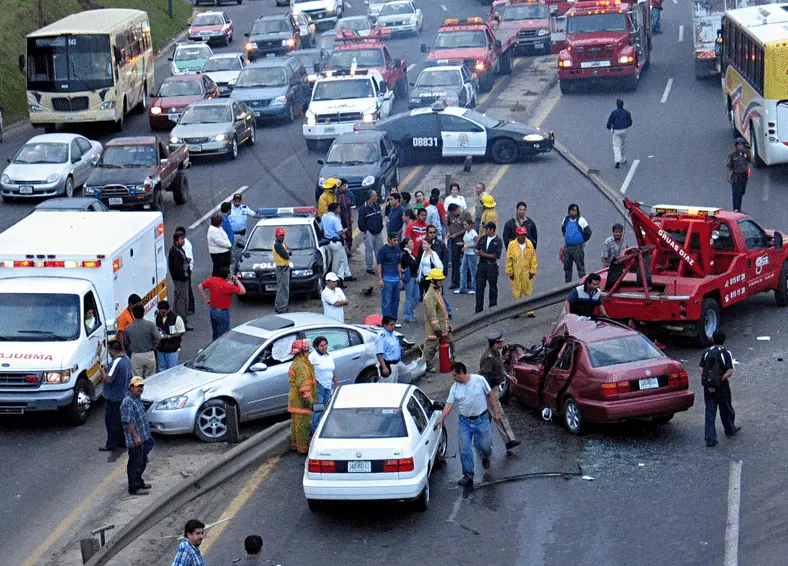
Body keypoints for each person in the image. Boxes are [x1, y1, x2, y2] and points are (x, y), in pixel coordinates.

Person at [435, 361, 500, 487]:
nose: (453, 378)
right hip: (464, 421)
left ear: (461, 372)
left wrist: (496, 412)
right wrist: (442, 417)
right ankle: (468, 474)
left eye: (454, 375)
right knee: (465, 448)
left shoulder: (479, 380)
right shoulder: (455, 388)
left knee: (485, 446)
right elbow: (449, 404)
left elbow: (491, 395)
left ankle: (486, 456)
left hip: (481, 419)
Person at [479, 333, 520, 450]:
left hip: (495, 388)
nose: (502, 343)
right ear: (495, 344)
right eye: (500, 342)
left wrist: (508, 376)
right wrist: (489, 394)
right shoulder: (488, 358)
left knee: (486, 418)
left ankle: (481, 441)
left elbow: (499, 368)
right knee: (499, 415)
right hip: (491, 390)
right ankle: (509, 440)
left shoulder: (496, 353)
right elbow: (485, 377)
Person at [699, 330, 740, 447]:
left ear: (712, 339)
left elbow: (701, 368)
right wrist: (720, 379)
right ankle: (730, 428)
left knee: (710, 411)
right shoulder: (726, 353)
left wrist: (708, 381)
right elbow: (730, 371)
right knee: (726, 408)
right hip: (722, 387)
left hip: (708, 387)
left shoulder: (706, 352)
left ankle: (710, 438)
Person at [98, 340, 132, 454]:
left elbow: (109, 379)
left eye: (110, 351)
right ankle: (122, 442)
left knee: (112, 422)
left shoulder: (117, 361)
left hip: (114, 397)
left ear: (113, 350)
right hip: (123, 395)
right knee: (121, 422)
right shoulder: (126, 359)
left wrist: (102, 372)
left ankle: (111, 444)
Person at [121, 376, 153, 495]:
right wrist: (135, 437)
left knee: (142, 462)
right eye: (137, 386)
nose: (140, 389)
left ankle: (139, 483)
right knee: (136, 464)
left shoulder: (137, 398)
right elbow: (129, 421)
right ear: (131, 387)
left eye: (141, 386)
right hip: (135, 440)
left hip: (143, 437)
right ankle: (134, 488)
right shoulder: (128, 403)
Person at [199, 266, 246, 340]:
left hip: (213, 311)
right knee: (223, 336)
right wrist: (236, 280)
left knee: (215, 333)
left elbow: (200, 286)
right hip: (223, 313)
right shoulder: (228, 286)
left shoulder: (213, 280)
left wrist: (206, 299)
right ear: (228, 275)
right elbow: (243, 291)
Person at [287, 339, 316, 454]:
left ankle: (295, 445)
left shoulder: (297, 363)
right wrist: (310, 401)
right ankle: (303, 449)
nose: (309, 353)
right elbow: (303, 385)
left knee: (295, 425)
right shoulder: (302, 365)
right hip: (301, 401)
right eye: (308, 351)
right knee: (302, 426)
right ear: (302, 352)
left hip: (295, 399)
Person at [422, 268, 452, 374]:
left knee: (450, 344)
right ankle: (427, 365)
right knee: (430, 347)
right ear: (434, 280)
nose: (441, 282)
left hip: (443, 326)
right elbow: (432, 315)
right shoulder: (429, 296)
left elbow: (442, 311)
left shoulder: (437, 291)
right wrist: (437, 328)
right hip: (435, 328)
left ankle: (450, 361)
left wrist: (448, 325)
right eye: (439, 280)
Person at [309, 335, 339, 432]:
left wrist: (336, 383)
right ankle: (314, 430)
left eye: (326, 345)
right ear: (316, 347)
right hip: (318, 386)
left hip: (327, 385)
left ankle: (323, 428)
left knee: (326, 407)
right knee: (318, 409)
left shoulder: (328, 355)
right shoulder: (313, 356)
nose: (324, 347)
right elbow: (307, 370)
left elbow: (332, 370)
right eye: (321, 346)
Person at [125, 304, 161, 378]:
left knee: (137, 379)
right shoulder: (150, 325)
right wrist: (154, 345)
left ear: (133, 314)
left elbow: (127, 342)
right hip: (149, 354)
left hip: (136, 355)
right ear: (144, 313)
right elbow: (158, 338)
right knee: (151, 377)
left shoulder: (128, 327)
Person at [505, 225, 538, 304]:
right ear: (517, 235)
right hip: (516, 273)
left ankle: (528, 311)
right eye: (521, 234)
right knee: (516, 292)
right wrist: (510, 272)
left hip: (527, 272)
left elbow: (533, 258)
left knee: (527, 291)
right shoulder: (512, 245)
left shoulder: (529, 244)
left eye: (524, 234)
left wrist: (532, 271)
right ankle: (516, 311)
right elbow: (509, 259)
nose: (522, 236)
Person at [475, 222, 502, 313]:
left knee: (492, 287)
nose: (485, 231)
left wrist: (484, 254)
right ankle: (478, 309)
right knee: (479, 287)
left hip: (491, 266)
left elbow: (496, 256)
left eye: (487, 229)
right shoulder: (482, 238)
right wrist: (477, 252)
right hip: (482, 265)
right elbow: (477, 248)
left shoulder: (498, 241)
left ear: (492, 230)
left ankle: (493, 308)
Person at [322, 202, 353, 281]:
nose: (339, 210)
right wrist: (345, 230)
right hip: (336, 243)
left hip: (328, 242)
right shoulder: (335, 219)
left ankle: (347, 275)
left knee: (343, 258)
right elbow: (340, 232)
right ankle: (336, 280)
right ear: (335, 209)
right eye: (338, 208)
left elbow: (321, 228)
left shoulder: (324, 217)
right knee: (337, 262)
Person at [561, 203, 592, 283]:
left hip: (577, 248)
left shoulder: (581, 220)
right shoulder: (565, 220)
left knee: (580, 266)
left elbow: (588, 233)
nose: (573, 212)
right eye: (571, 210)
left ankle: (583, 283)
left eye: (575, 210)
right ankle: (567, 283)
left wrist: (582, 241)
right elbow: (563, 230)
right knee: (567, 267)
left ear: (578, 212)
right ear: (568, 211)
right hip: (567, 247)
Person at [168, 232, 192, 330]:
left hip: (180, 279)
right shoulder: (175, 252)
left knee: (178, 300)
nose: (183, 241)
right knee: (182, 301)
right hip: (181, 280)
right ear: (176, 240)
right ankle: (183, 323)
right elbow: (178, 268)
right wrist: (184, 276)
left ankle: (173, 320)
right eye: (181, 239)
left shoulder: (178, 250)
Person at [377, 232, 403, 320]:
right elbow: (379, 265)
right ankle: (387, 322)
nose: (396, 242)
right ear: (389, 239)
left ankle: (393, 320)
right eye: (394, 240)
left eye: (397, 240)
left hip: (396, 280)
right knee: (386, 302)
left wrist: (400, 278)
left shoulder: (397, 249)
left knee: (395, 301)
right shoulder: (382, 250)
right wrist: (380, 279)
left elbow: (399, 264)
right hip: (386, 280)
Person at [358, 189, 384, 275]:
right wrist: (366, 230)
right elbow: (361, 223)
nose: (377, 197)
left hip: (378, 232)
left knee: (379, 250)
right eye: (375, 196)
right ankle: (369, 267)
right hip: (369, 233)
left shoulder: (377, 206)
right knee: (369, 250)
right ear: (370, 198)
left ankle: (380, 265)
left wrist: (380, 227)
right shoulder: (363, 209)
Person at [447, 203, 473, 289]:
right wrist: (448, 232)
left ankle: (469, 282)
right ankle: (455, 282)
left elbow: (469, 227)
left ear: (458, 209)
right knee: (455, 261)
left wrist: (456, 234)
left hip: (464, 240)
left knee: (467, 261)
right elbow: (448, 224)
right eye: (452, 213)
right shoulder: (450, 214)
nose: (453, 214)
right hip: (454, 241)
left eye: (454, 212)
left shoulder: (466, 214)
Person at [155, 300, 185, 372]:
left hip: (172, 349)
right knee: (161, 369)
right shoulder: (158, 317)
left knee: (172, 370)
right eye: (160, 312)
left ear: (168, 310)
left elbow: (181, 332)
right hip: (161, 348)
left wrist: (168, 337)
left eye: (163, 312)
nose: (161, 314)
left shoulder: (176, 318)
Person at [727, 137, 753, 212]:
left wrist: (750, 151)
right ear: (736, 146)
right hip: (736, 176)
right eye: (738, 145)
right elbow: (728, 166)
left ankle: (739, 208)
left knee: (742, 192)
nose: (740, 146)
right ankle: (736, 209)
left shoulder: (746, 153)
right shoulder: (732, 155)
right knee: (736, 193)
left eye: (742, 145)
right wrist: (728, 177)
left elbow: (752, 160)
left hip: (744, 176)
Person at [375, 315, 404, 383]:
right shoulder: (381, 336)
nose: (393, 327)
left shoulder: (391, 333)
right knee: (389, 385)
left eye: (394, 325)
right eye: (391, 325)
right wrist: (384, 367)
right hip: (388, 365)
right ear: (385, 325)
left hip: (396, 363)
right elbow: (379, 353)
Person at [175, 226, 196, 315]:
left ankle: (190, 307)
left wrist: (188, 270)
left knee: (188, 289)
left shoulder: (186, 245)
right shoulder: (179, 245)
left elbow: (188, 258)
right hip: (184, 270)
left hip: (186, 270)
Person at [606, 98, 633, 169]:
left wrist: (610, 128)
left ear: (617, 105)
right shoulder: (627, 112)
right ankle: (623, 158)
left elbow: (609, 123)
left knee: (616, 146)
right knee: (623, 144)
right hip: (625, 130)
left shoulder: (614, 113)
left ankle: (617, 160)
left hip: (617, 131)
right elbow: (630, 122)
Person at [456, 218, 478, 295]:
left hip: (472, 254)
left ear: (470, 225)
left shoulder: (474, 233)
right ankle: (462, 288)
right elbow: (466, 242)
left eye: (465, 225)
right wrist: (462, 243)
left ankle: (475, 288)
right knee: (462, 270)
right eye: (463, 225)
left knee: (473, 271)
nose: (464, 226)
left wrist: (468, 246)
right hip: (466, 253)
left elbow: (477, 244)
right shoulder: (466, 232)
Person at [400, 238, 420, 323]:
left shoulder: (410, 254)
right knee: (409, 297)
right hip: (409, 278)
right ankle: (407, 315)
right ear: (406, 245)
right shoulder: (405, 255)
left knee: (417, 297)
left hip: (414, 277)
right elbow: (414, 265)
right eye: (410, 242)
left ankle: (409, 311)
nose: (413, 243)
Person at [272, 227, 291, 314]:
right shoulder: (277, 245)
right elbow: (286, 255)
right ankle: (282, 309)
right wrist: (287, 251)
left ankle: (279, 307)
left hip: (284, 269)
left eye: (283, 235)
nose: (282, 237)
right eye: (280, 236)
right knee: (283, 290)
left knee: (282, 289)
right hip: (282, 270)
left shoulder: (281, 243)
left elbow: (290, 250)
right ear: (276, 236)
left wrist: (287, 251)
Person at [207, 212, 232, 277]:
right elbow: (220, 241)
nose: (221, 223)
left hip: (223, 252)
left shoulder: (218, 228)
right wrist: (229, 245)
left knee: (224, 269)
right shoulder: (213, 230)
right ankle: (216, 284)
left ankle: (223, 282)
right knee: (218, 270)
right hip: (219, 254)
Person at [337, 179, 354, 254]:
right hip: (338, 217)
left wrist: (351, 218)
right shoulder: (335, 194)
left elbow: (352, 207)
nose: (346, 187)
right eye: (344, 186)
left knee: (349, 234)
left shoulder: (350, 194)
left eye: (346, 186)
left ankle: (349, 250)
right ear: (340, 186)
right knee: (340, 233)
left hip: (347, 217)